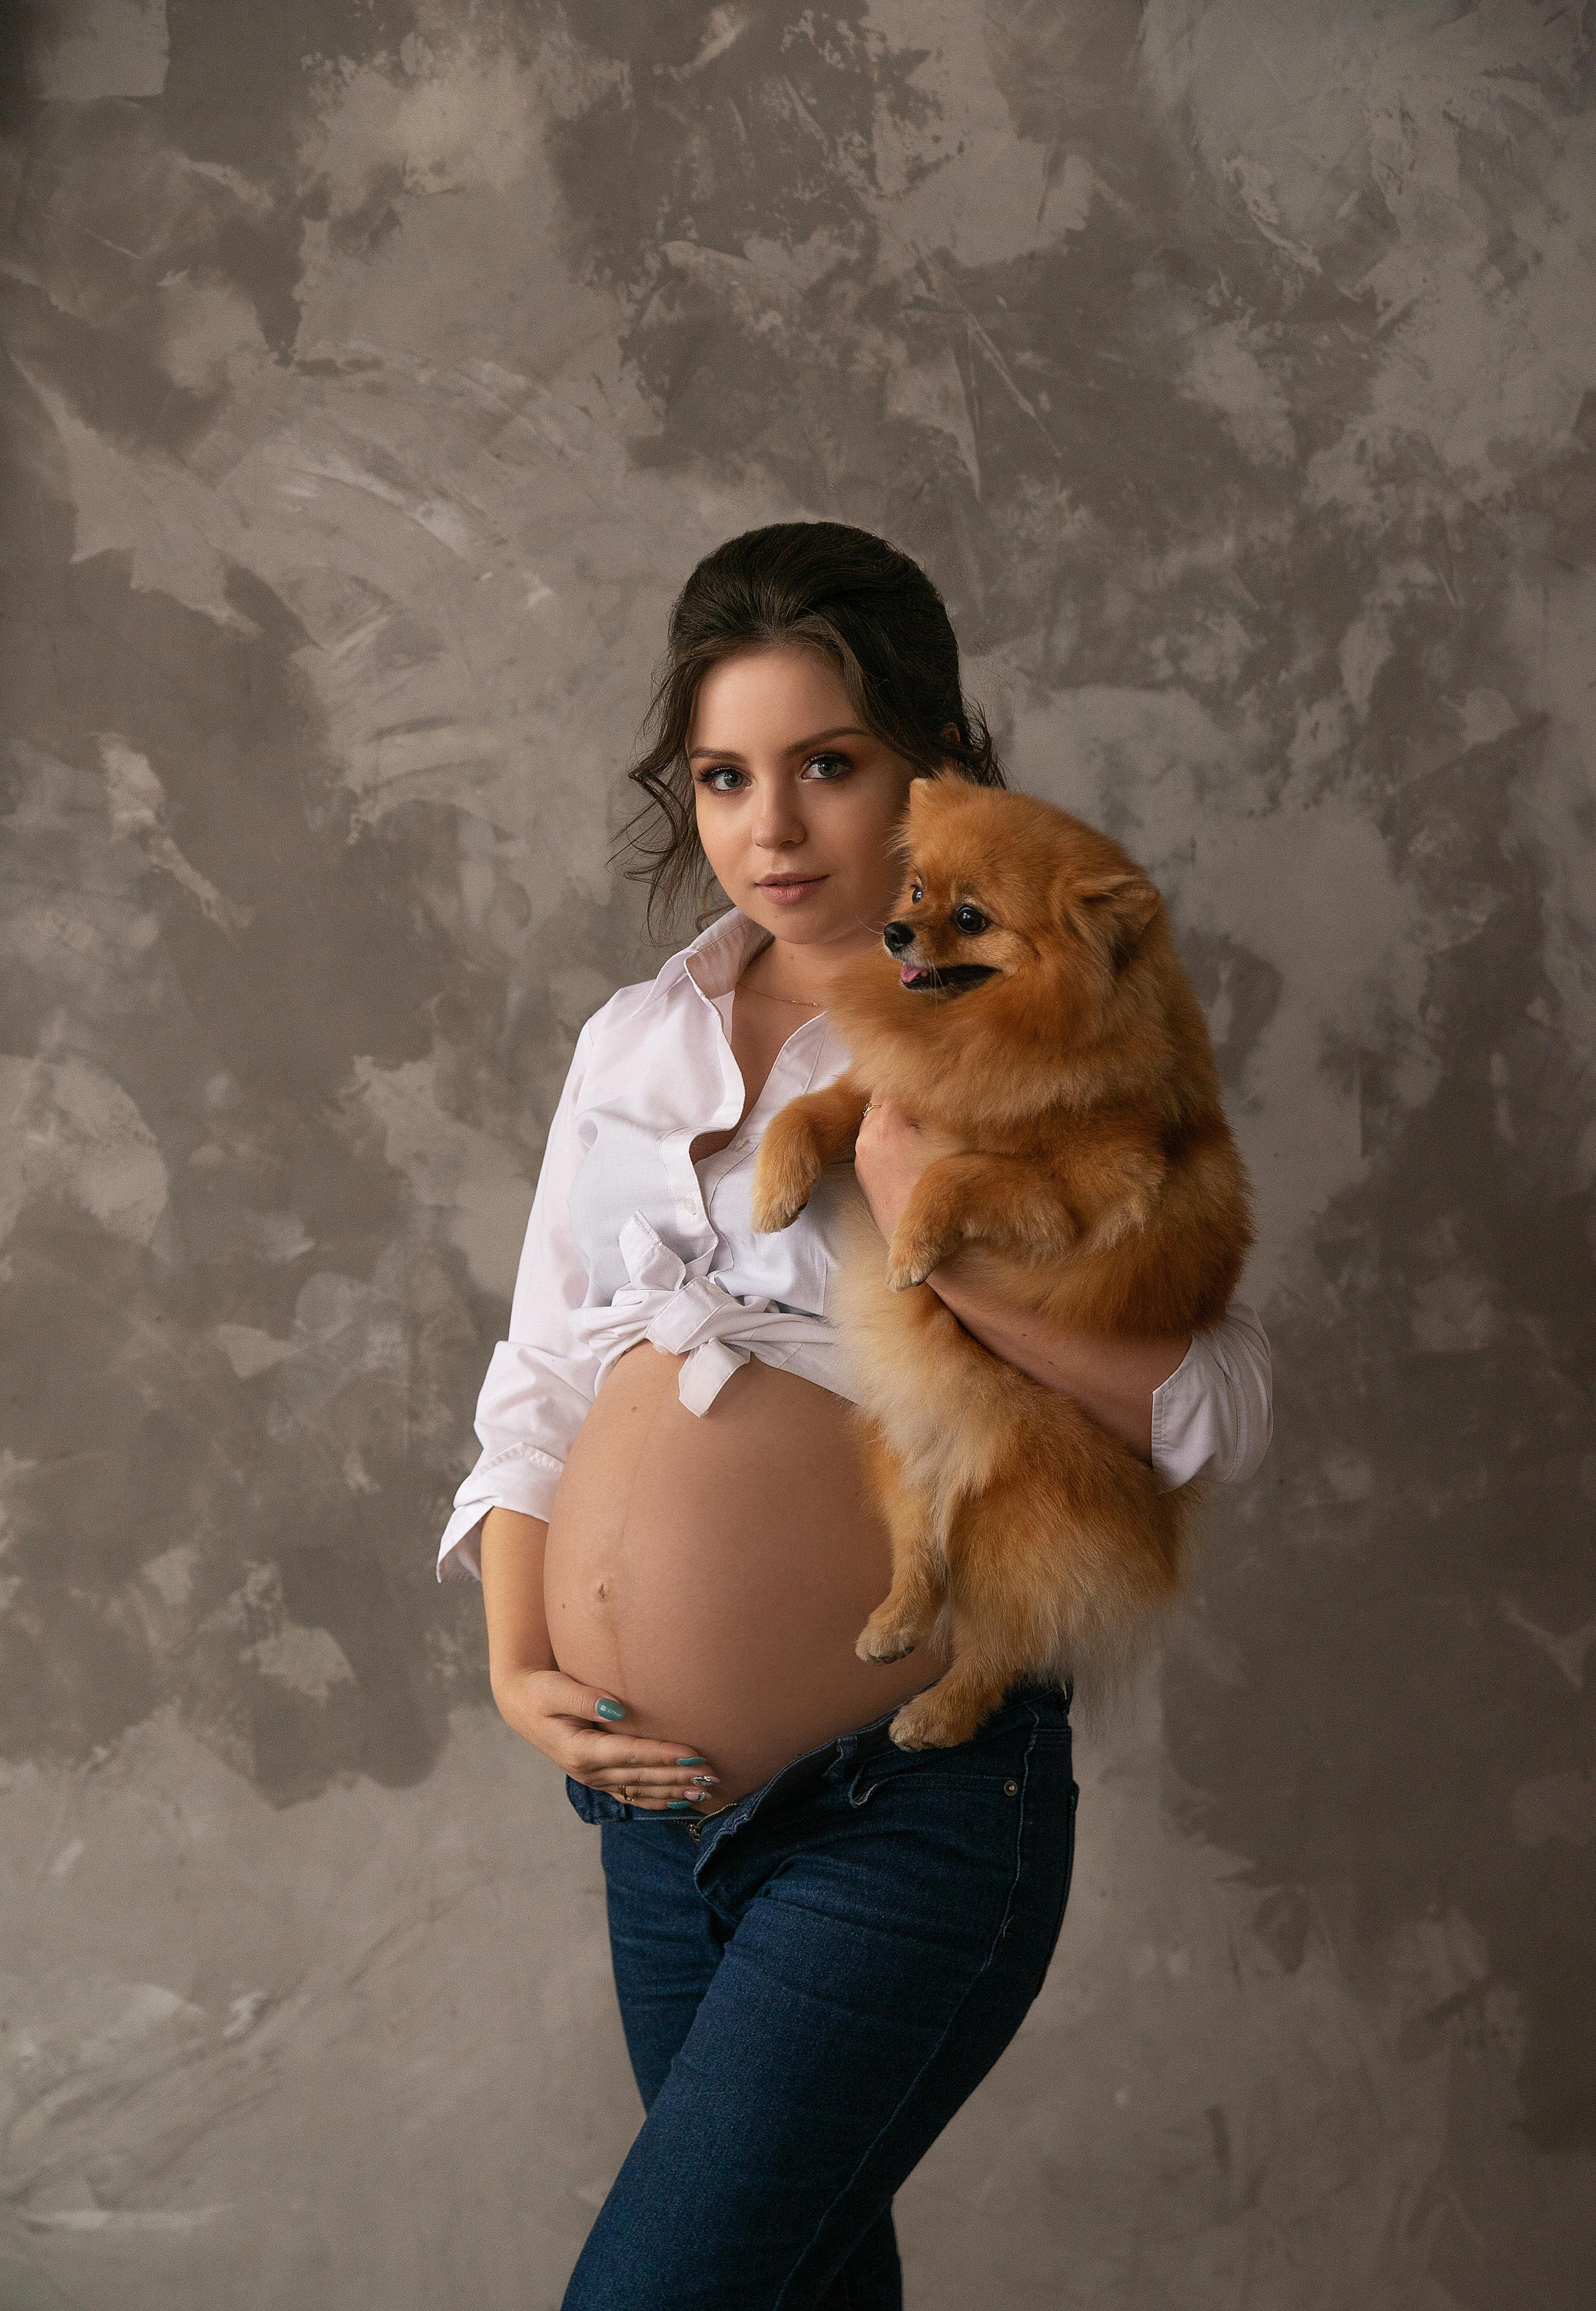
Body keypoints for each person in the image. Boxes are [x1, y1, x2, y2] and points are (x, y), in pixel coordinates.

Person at [435, 522, 1272, 2309]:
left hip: (904, 1808)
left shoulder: (1031, 1012)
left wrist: (934, 1238)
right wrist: (520, 1664)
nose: (773, 829)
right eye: (726, 777)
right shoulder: (631, 1044)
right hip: (651, 1818)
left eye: (829, 766)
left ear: (927, 765)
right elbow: (543, 1374)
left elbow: (1216, 1399)